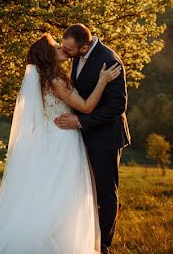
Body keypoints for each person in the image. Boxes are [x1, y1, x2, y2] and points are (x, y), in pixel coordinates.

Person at [0, 33, 121, 254]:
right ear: (49, 56)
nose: (62, 49)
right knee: (66, 195)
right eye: (58, 47)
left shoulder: (48, 77)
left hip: (55, 136)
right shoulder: (56, 81)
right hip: (64, 139)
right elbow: (86, 107)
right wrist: (103, 80)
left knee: (57, 193)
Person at [54, 23, 130, 254]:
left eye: (69, 50)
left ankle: (104, 246)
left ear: (84, 47)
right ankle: (86, 237)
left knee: (106, 192)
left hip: (106, 137)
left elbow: (118, 105)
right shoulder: (77, 54)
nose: (64, 52)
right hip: (83, 136)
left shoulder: (109, 61)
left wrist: (81, 122)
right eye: (64, 48)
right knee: (86, 189)